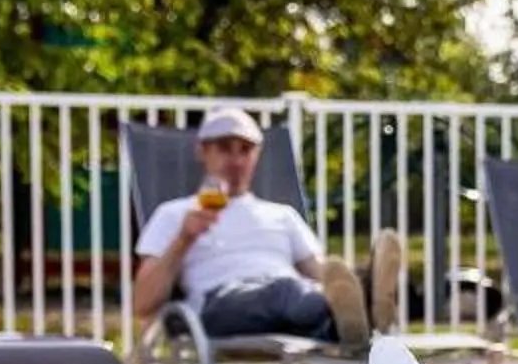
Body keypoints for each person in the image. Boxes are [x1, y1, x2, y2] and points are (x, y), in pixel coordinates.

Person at [131, 108, 402, 350]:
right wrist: (184, 238)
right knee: (287, 290)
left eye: (245, 150)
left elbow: (324, 273)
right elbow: (143, 303)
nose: (236, 161)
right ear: (202, 151)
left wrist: (346, 283)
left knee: (302, 295)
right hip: (219, 305)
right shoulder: (175, 213)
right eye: (224, 148)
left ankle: (356, 309)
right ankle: (368, 305)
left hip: (290, 307)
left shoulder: (282, 215)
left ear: (257, 154)